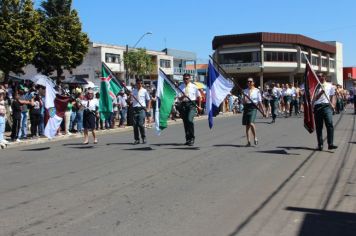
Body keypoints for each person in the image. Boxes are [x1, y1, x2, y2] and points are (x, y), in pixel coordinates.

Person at [313, 73, 337, 151]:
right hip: (318, 107)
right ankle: (320, 144)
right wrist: (320, 93)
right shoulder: (315, 87)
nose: (319, 77)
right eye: (318, 76)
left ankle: (330, 144)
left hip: (327, 106)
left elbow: (333, 96)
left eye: (321, 76)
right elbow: (314, 99)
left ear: (324, 77)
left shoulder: (330, 86)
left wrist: (333, 105)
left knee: (330, 124)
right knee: (319, 127)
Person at [178, 73, 202, 146]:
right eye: (184, 78)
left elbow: (199, 97)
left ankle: (192, 138)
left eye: (187, 78)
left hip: (192, 104)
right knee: (185, 123)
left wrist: (199, 106)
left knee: (189, 120)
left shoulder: (194, 86)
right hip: (184, 105)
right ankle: (188, 139)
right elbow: (178, 98)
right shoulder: (180, 87)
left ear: (190, 78)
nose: (185, 80)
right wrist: (182, 96)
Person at [242, 78, 265, 146]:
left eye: (250, 81)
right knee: (247, 125)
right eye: (248, 81)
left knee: (251, 123)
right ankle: (248, 141)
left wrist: (263, 111)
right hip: (246, 107)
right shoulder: (245, 91)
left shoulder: (257, 91)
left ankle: (255, 137)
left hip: (253, 107)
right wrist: (244, 99)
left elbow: (260, 101)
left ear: (253, 83)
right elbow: (243, 102)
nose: (249, 82)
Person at [131, 78, 151, 144]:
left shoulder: (144, 91)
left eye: (140, 83)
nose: (139, 84)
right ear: (136, 84)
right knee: (135, 125)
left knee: (140, 124)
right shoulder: (133, 91)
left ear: (142, 84)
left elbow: (148, 100)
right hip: (134, 109)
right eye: (138, 83)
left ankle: (143, 137)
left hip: (142, 109)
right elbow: (129, 100)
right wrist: (130, 97)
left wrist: (148, 108)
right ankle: (137, 139)